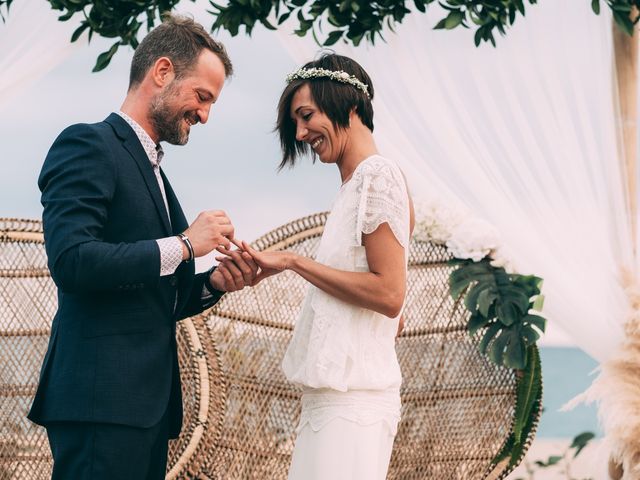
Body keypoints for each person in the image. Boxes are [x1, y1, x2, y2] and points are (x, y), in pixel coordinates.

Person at [28, 14, 257, 480]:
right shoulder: (87, 144)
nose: (206, 114)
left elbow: (154, 296)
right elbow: (72, 261)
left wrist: (215, 281)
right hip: (100, 403)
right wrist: (185, 243)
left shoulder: (156, 172)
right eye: (203, 96)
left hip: (145, 411)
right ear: (163, 72)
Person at [230, 53, 414, 480]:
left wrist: (295, 262)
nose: (301, 132)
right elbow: (395, 320)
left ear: (348, 105)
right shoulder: (355, 186)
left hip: (354, 402)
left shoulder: (378, 176)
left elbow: (390, 296)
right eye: (296, 120)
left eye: (307, 115)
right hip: (335, 398)